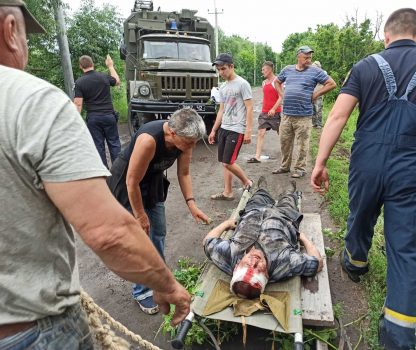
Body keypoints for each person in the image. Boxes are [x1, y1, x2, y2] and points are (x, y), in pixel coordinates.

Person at [0, 2, 190, 349]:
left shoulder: (75, 88)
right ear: (11, 30)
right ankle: (142, 290)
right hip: (29, 332)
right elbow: (108, 233)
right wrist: (168, 285)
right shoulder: (31, 100)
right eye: (27, 36)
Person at [311, 8, 416, 350]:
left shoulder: (365, 66)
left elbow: (338, 116)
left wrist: (321, 161)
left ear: (386, 36)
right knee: (408, 247)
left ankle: (355, 263)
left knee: (361, 213)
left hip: (368, 160)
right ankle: (399, 335)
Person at [107, 109, 209, 314]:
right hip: (128, 186)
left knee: (158, 232)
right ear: (171, 133)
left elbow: (184, 173)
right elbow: (131, 181)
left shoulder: (185, 139)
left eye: (195, 142)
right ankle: (142, 290)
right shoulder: (149, 140)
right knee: (140, 241)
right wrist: (139, 214)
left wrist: (191, 204)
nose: (192, 146)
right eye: (189, 142)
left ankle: (160, 281)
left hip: (152, 182)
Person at [203, 177, 323, 298]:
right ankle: (289, 192)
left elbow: (208, 243)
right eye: (258, 268)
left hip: (253, 210)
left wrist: (226, 224)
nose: (254, 261)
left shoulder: (230, 256)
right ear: (267, 275)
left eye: (247, 265)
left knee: (260, 194)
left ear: (236, 267)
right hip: (285, 216)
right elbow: (317, 264)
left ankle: (262, 188)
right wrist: (303, 238)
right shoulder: (284, 263)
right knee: (288, 199)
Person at [272, 46, 336, 178]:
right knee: (284, 142)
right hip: (287, 115)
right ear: (298, 56)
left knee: (302, 144)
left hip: (304, 116)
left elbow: (331, 83)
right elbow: (277, 82)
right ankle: (285, 167)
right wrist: (282, 94)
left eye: (310, 58)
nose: (308, 60)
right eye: (306, 57)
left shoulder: (315, 71)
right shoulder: (287, 69)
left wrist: (316, 94)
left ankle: (300, 168)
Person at [208, 53, 253, 200]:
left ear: (231, 66)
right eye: (219, 70)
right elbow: (221, 110)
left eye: (223, 69)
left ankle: (247, 182)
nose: (221, 72)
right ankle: (228, 192)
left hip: (237, 129)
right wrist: (214, 130)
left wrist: (248, 131)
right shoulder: (223, 87)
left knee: (228, 162)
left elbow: (250, 108)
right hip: (224, 128)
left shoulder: (242, 84)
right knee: (224, 163)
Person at [74, 54, 121, 168]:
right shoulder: (103, 77)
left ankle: (104, 174)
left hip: (93, 119)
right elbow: (117, 81)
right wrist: (110, 66)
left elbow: (78, 104)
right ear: (92, 64)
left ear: (81, 66)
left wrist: (75, 121)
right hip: (109, 116)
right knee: (114, 144)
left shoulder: (79, 82)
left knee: (98, 146)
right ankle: (118, 171)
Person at [247, 61, 282, 163]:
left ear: (270, 69)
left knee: (282, 135)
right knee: (260, 133)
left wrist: (274, 108)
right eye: (262, 69)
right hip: (264, 113)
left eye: (264, 69)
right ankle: (257, 156)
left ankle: (285, 154)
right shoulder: (263, 83)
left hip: (276, 113)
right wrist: (267, 109)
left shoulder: (277, 81)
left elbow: (281, 97)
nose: (262, 71)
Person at [311, 61, 325, 128]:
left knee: (319, 109)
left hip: (319, 94)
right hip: (312, 94)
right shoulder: (311, 73)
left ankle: (319, 123)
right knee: (313, 109)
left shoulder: (322, 73)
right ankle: (314, 123)